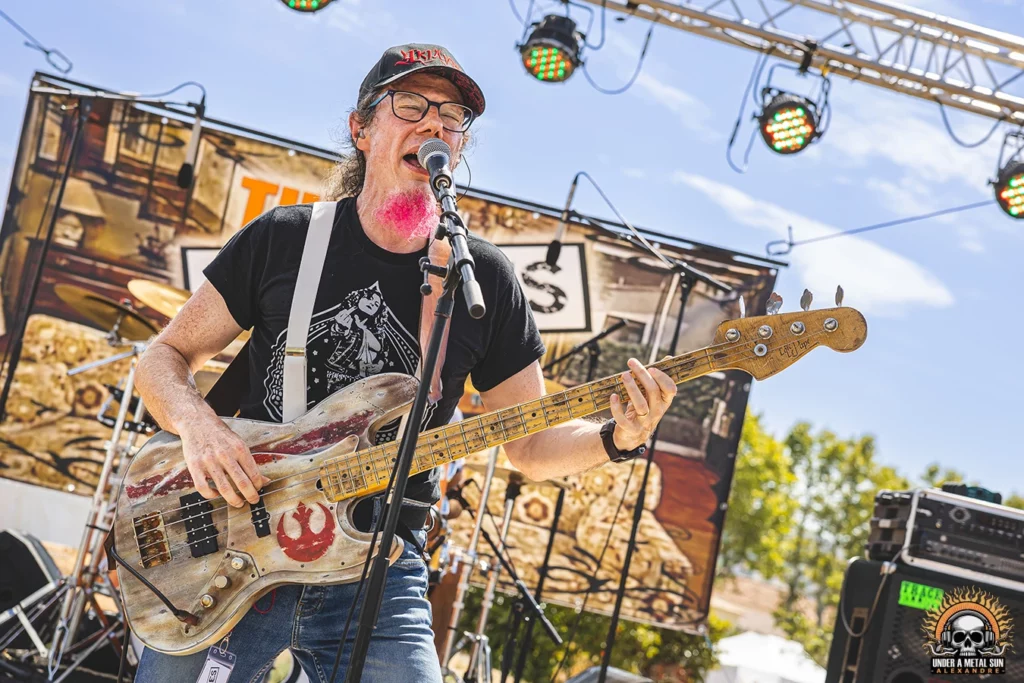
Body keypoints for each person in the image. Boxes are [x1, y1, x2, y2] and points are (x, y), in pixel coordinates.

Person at [132, 43, 677, 683]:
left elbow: (530, 446)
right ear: (362, 129)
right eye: (412, 105)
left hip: (377, 566)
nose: (434, 125)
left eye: (452, 117)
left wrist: (621, 436)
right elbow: (162, 358)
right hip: (241, 545)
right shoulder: (286, 237)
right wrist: (200, 429)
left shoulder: (485, 279)